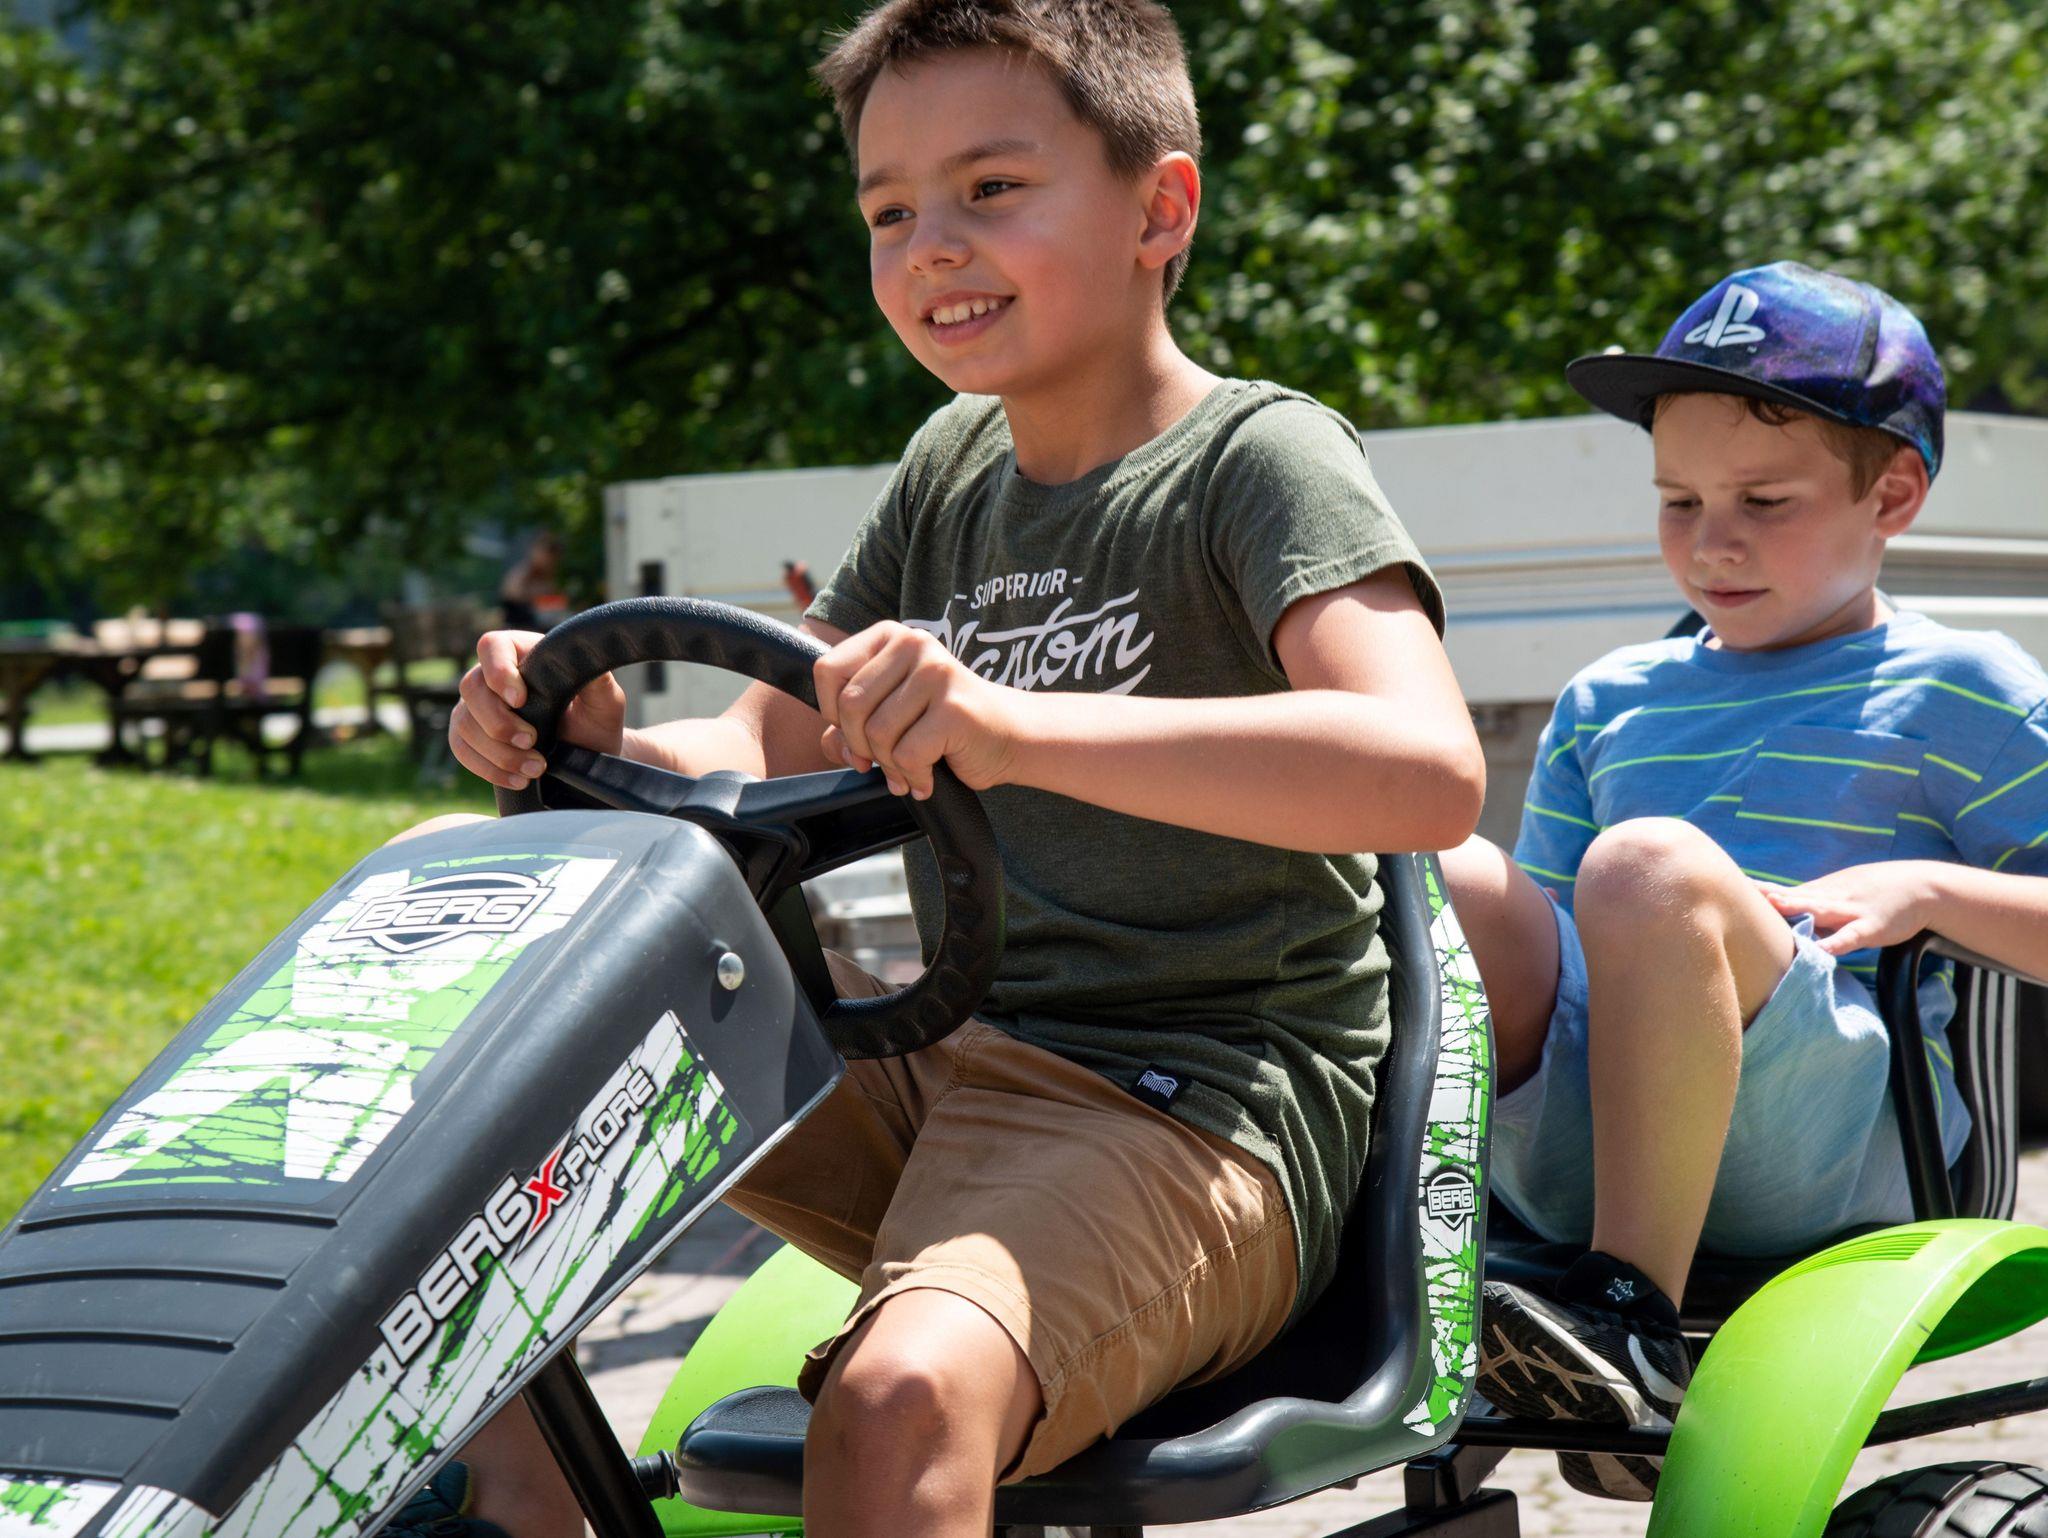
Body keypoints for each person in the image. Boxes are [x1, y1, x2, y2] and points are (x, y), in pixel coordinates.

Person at [401, 3, 1486, 1534]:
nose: (932, 247)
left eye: (990, 189)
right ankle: (518, 1502)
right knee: (494, 1020)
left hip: (1196, 1098)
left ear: (1160, 211)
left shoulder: (1257, 462)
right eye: (890, 211)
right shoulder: (949, 468)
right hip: (943, 1050)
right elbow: (761, 741)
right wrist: (599, 746)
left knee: (898, 1398)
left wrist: (1017, 724)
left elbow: (1426, 770)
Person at [1448, 261, 2048, 1503]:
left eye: (1761, 500)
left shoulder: (1962, 689)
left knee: (1645, 861)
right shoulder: (1609, 698)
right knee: (1448, 870)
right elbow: (1544, 954)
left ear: (1891, 493)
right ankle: (1403, 1241)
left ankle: (1626, 1324)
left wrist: (1931, 888)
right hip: (1592, 1135)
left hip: (1820, 1151)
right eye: (1676, 501)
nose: (1708, 541)